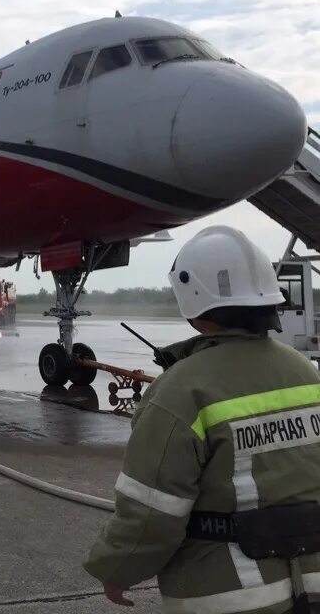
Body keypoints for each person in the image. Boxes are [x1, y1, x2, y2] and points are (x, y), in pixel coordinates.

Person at [84, 225, 320, 613]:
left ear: (192, 301)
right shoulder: (306, 373)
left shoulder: (181, 391)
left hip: (231, 595)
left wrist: (116, 568)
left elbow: (152, 511)